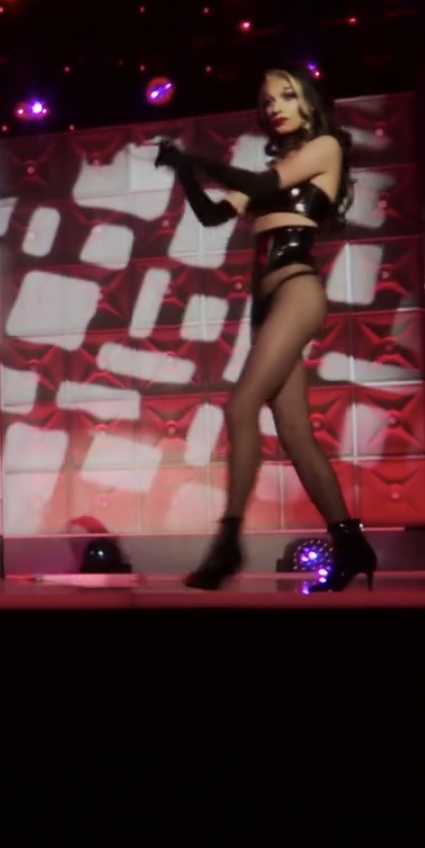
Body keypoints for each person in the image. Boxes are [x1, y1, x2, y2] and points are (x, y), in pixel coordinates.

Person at [157, 66, 376, 593]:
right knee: (296, 433)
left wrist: (197, 158)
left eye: (286, 95)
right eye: (268, 99)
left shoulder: (324, 148)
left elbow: (255, 185)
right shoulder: (281, 168)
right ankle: (351, 545)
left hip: (297, 290)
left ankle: (228, 543)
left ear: (308, 104)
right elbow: (214, 215)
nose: (274, 106)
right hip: (268, 302)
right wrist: (185, 172)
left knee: (240, 406)